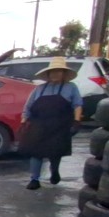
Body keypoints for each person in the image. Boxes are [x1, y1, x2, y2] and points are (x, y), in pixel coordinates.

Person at [19, 57, 82, 189]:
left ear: (64, 73)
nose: (55, 74)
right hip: (39, 124)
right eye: (53, 72)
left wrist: (76, 121)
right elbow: (28, 106)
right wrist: (24, 121)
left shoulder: (71, 88)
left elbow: (77, 105)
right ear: (48, 74)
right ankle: (34, 180)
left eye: (58, 71)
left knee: (55, 152)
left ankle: (55, 172)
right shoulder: (39, 89)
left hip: (60, 125)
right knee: (36, 153)